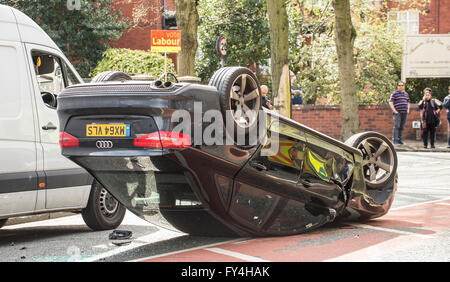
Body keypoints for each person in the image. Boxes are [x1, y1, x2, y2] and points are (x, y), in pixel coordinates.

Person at [389, 81, 410, 145]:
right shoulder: (394, 93)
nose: (401, 87)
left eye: (402, 85)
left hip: (404, 113)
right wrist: (395, 111)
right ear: (397, 86)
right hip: (398, 113)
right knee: (397, 126)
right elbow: (390, 103)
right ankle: (395, 141)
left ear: (404, 86)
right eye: (399, 85)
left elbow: (408, 102)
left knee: (402, 127)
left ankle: (400, 140)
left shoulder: (406, 94)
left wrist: (408, 109)